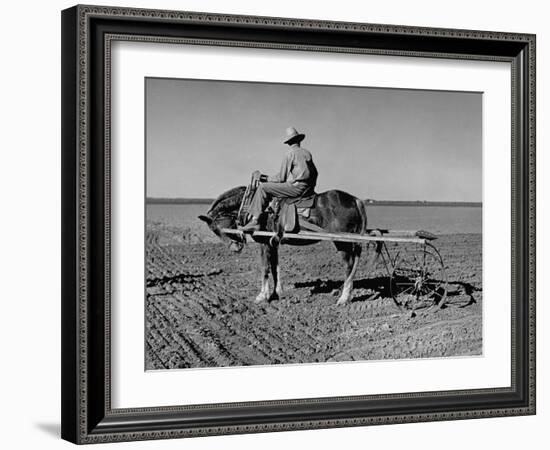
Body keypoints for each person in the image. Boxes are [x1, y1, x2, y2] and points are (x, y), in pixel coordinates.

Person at [240, 126, 318, 233]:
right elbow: (315, 173)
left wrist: (263, 177)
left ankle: (255, 221)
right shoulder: (307, 153)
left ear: (289, 143)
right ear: (299, 140)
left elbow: (281, 178)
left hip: (297, 188)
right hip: (308, 188)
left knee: (263, 188)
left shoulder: (289, 154)